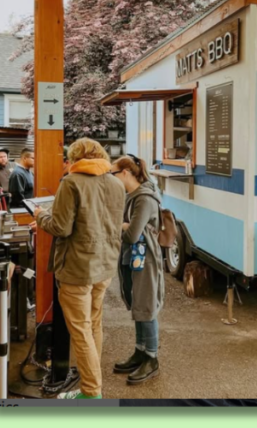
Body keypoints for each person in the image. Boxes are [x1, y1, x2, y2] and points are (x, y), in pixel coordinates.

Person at [33, 138, 126, 399]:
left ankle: (91, 392)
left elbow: (61, 227)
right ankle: (91, 385)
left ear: (75, 157)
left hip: (77, 268)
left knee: (81, 330)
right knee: (94, 324)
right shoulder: (116, 183)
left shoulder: (71, 182)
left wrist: (40, 215)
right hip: (104, 265)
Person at [111, 154, 165, 385]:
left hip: (145, 259)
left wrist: (122, 225)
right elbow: (130, 228)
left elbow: (132, 234)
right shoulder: (131, 195)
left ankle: (151, 358)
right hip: (133, 258)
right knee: (137, 305)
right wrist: (125, 225)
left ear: (125, 173)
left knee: (146, 306)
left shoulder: (144, 198)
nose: (111, 178)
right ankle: (140, 351)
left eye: (113, 173)